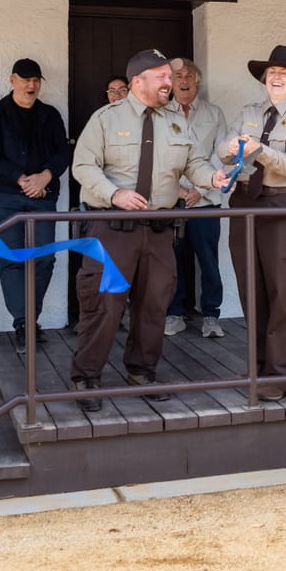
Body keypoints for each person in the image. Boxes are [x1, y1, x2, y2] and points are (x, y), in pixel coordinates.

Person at [70, 49, 228, 411]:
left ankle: (142, 371)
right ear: (137, 81)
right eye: (162, 77)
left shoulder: (176, 120)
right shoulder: (106, 118)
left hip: (159, 230)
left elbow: (194, 163)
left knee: (154, 305)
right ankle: (86, 378)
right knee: (103, 305)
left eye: (170, 77)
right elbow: (83, 166)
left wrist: (213, 178)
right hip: (112, 228)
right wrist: (115, 194)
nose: (169, 83)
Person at [219, 45, 286, 400]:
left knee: (283, 293)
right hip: (246, 203)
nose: (276, 77)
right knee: (252, 289)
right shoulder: (249, 112)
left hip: (283, 206)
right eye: (271, 72)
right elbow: (223, 150)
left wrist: (258, 151)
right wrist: (232, 149)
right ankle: (258, 367)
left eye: (284, 73)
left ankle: (281, 374)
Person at [0, 58, 71, 351]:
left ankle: (28, 320)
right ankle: (24, 324)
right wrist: (20, 179)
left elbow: (62, 152)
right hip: (4, 197)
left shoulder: (50, 114)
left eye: (36, 80)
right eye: (26, 79)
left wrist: (45, 177)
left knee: (45, 258)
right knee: (10, 259)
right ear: (12, 80)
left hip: (43, 196)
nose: (32, 85)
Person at [163, 57, 229, 338]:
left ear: (197, 81)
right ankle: (174, 313)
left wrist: (200, 190)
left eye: (188, 75)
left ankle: (211, 315)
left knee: (209, 260)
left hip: (206, 201)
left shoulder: (214, 113)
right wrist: (178, 191)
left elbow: (221, 155)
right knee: (172, 260)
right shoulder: (160, 113)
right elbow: (157, 158)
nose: (184, 81)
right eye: (178, 76)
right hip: (171, 201)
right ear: (170, 83)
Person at [69, 75, 131, 331]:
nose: (116, 95)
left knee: (128, 267)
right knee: (97, 267)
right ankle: (93, 321)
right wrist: (112, 193)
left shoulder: (144, 122)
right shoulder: (99, 121)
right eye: (111, 91)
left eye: (121, 90)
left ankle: (124, 315)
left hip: (132, 211)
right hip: (101, 208)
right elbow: (85, 166)